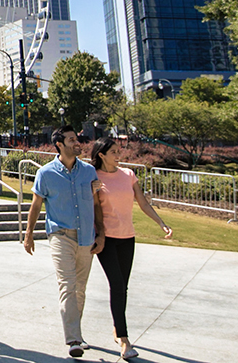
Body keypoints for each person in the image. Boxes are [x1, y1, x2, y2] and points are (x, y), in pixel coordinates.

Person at [23, 125, 104, 358]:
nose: (77, 143)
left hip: (86, 236)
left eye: (76, 139)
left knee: (80, 289)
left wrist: (102, 233)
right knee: (67, 285)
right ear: (59, 144)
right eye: (71, 140)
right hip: (60, 235)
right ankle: (74, 339)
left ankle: (76, 331)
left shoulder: (89, 172)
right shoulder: (46, 173)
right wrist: (28, 234)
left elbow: (97, 205)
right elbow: (36, 205)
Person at [91, 137, 173, 360]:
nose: (119, 155)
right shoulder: (93, 177)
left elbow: (143, 203)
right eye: (114, 152)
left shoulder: (128, 175)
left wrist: (161, 222)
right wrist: (91, 191)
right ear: (102, 155)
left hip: (128, 238)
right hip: (106, 239)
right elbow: (90, 206)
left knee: (122, 287)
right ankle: (125, 341)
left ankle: (117, 329)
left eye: (119, 151)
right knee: (117, 285)